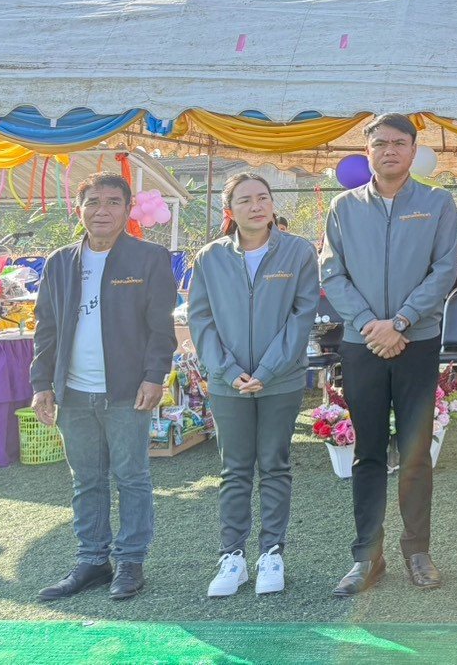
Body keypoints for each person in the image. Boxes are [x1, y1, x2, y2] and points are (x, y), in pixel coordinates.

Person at [320, 113, 457, 597]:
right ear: (368, 152)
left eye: (399, 143)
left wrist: (400, 322)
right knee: (368, 452)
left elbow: (444, 269)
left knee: (416, 451)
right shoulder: (342, 207)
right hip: (362, 345)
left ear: (414, 150)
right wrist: (369, 325)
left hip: (416, 343)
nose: (390, 151)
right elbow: (332, 273)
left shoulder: (438, 203)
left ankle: (417, 552)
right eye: (380, 143)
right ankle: (367, 557)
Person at [30, 173, 177, 602]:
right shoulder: (60, 261)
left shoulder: (149, 258)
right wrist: (42, 383)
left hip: (127, 391)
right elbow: (46, 328)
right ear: (79, 209)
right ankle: (93, 560)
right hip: (73, 392)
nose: (102, 210)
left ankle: (130, 562)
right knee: (86, 480)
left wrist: (154, 375)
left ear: (128, 209)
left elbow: (161, 327)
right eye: (93, 202)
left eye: (113, 201)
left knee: (132, 477)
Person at [189, 173, 319, 597]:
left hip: (280, 380)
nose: (257, 206)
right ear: (230, 210)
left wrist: (268, 369)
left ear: (272, 204)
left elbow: (302, 315)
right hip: (228, 384)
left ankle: (271, 554)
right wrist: (228, 371)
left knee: (275, 464)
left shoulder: (298, 252)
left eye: (263, 197)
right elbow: (201, 319)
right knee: (235, 469)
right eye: (245, 200)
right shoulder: (209, 257)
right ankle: (232, 557)